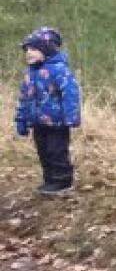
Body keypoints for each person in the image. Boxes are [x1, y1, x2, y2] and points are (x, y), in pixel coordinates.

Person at [15, 27, 80, 195]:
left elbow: (70, 93)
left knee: (56, 151)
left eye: (33, 49)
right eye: (27, 49)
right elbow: (24, 98)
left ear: (47, 49)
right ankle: (50, 179)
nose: (28, 53)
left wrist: (71, 116)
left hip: (57, 122)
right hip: (37, 122)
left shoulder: (59, 70)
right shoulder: (29, 73)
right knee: (43, 151)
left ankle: (62, 180)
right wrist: (21, 119)